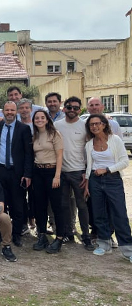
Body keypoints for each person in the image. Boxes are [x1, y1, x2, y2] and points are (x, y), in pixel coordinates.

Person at [84, 114, 132, 260]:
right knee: (99, 213)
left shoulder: (115, 140)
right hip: (95, 180)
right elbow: (89, 166)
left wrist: (107, 169)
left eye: (97, 123)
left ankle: (128, 249)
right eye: (91, 124)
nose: (94, 127)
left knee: (119, 213)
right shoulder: (89, 144)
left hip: (113, 179)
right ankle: (104, 244)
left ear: (104, 124)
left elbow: (125, 162)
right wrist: (87, 183)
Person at [55, 96, 94, 251]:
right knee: (64, 205)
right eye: (69, 107)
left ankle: (86, 236)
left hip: (79, 172)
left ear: (80, 110)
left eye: (76, 108)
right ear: (64, 108)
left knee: (82, 205)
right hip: (61, 171)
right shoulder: (57, 125)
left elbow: (90, 150)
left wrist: (86, 171)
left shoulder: (85, 126)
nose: (72, 110)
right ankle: (68, 232)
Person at [0, 101, 33, 248]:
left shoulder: (24, 129)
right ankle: (1, 233)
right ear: (3, 111)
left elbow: (29, 154)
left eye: (12, 110)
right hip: (0, 169)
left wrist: (27, 173)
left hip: (17, 172)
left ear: (16, 112)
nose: (9, 112)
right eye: (7, 110)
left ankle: (16, 235)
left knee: (18, 205)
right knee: (0, 204)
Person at [31, 110, 65, 254]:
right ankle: (42, 235)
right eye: (36, 118)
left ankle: (59, 238)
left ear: (47, 120)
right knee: (40, 206)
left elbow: (59, 156)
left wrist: (57, 176)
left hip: (52, 172)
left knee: (57, 207)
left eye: (42, 118)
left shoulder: (54, 134)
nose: (39, 120)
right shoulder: (35, 135)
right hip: (38, 172)